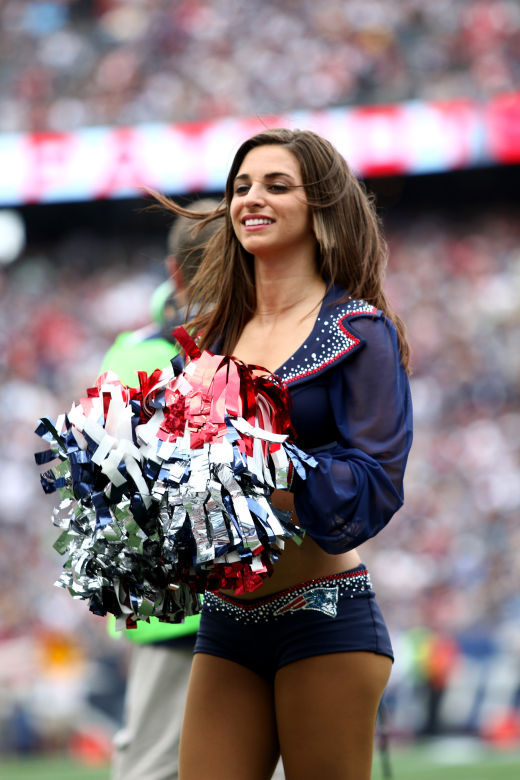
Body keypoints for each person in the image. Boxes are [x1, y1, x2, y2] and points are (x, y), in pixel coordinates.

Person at [155, 128, 413, 780]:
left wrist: (273, 468)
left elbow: (377, 481)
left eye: (276, 185)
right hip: (226, 618)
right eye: (241, 186)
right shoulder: (211, 338)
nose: (251, 199)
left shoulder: (359, 331)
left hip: (322, 613)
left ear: (319, 205)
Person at [103, 199, 222, 780]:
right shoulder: (262, 349)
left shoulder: (134, 354)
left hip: (170, 604)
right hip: (197, 605)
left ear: (174, 272)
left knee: (154, 767)